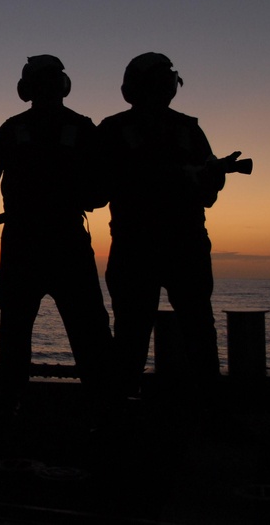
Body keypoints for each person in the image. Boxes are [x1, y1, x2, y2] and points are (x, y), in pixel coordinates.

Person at [0, 55, 114, 419]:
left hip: (38, 245)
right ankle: (101, 409)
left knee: (65, 332)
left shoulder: (41, 128)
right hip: (48, 245)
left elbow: (102, 187)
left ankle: (16, 407)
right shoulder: (73, 128)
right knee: (68, 332)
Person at [98, 52, 239, 401]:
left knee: (180, 331)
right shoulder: (117, 131)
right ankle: (127, 415)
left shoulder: (185, 130)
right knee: (169, 332)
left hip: (166, 246)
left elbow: (208, 195)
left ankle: (122, 417)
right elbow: (98, 188)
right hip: (152, 247)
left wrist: (210, 176)